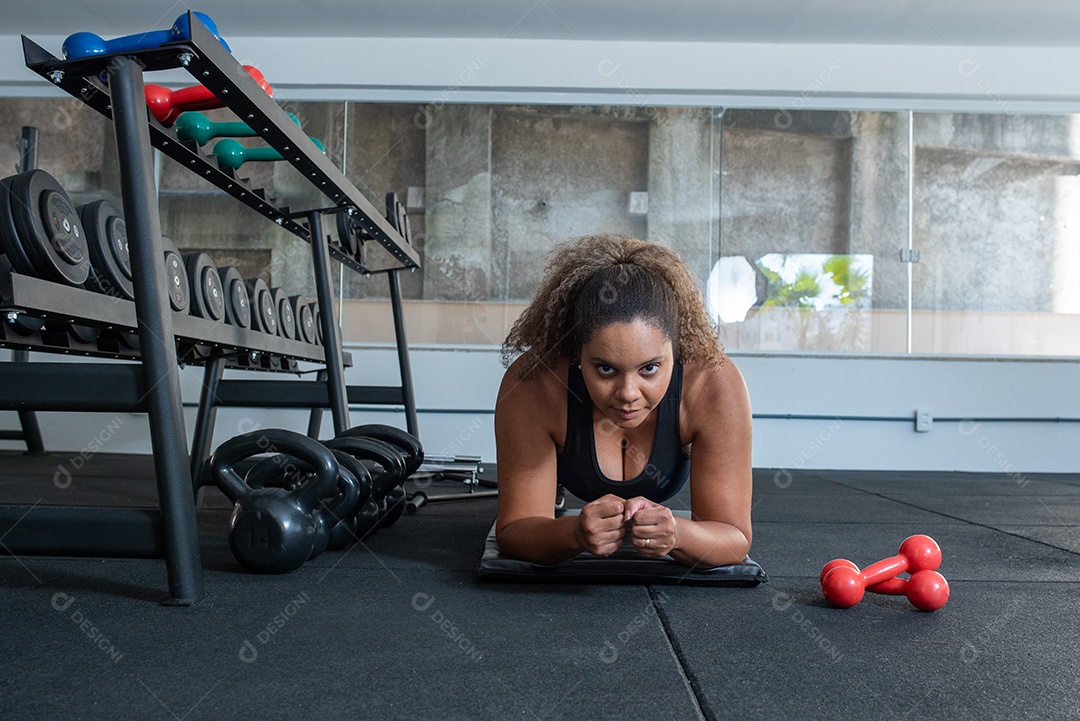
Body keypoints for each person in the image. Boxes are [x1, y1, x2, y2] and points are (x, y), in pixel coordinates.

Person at [494, 233, 753, 568]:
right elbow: (515, 529)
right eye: (605, 369)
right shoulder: (534, 384)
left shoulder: (713, 386)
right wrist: (572, 534)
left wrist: (679, 534)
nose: (628, 393)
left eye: (650, 368)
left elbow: (734, 537)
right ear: (575, 353)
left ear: (676, 352)